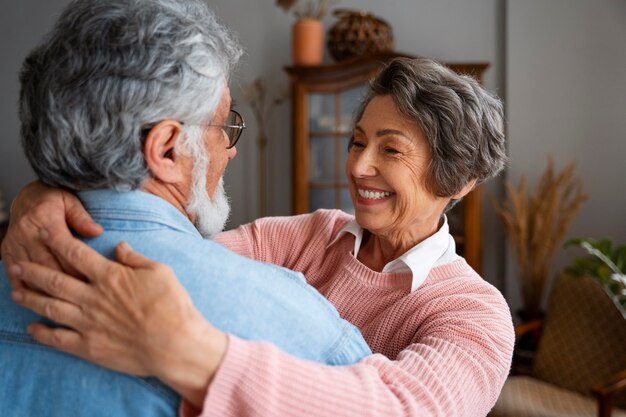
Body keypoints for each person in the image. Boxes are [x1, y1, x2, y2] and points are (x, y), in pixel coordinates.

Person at [4, 58, 515, 416]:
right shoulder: (309, 236)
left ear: (458, 179)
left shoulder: (476, 316)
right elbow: (169, 254)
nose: (359, 166)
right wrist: (47, 194)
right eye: (358, 142)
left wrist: (189, 351)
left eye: (391, 151)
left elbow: (403, 410)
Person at [0, 0, 373, 415]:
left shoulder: (14, 261)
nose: (229, 153)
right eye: (224, 125)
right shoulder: (290, 316)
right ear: (167, 148)